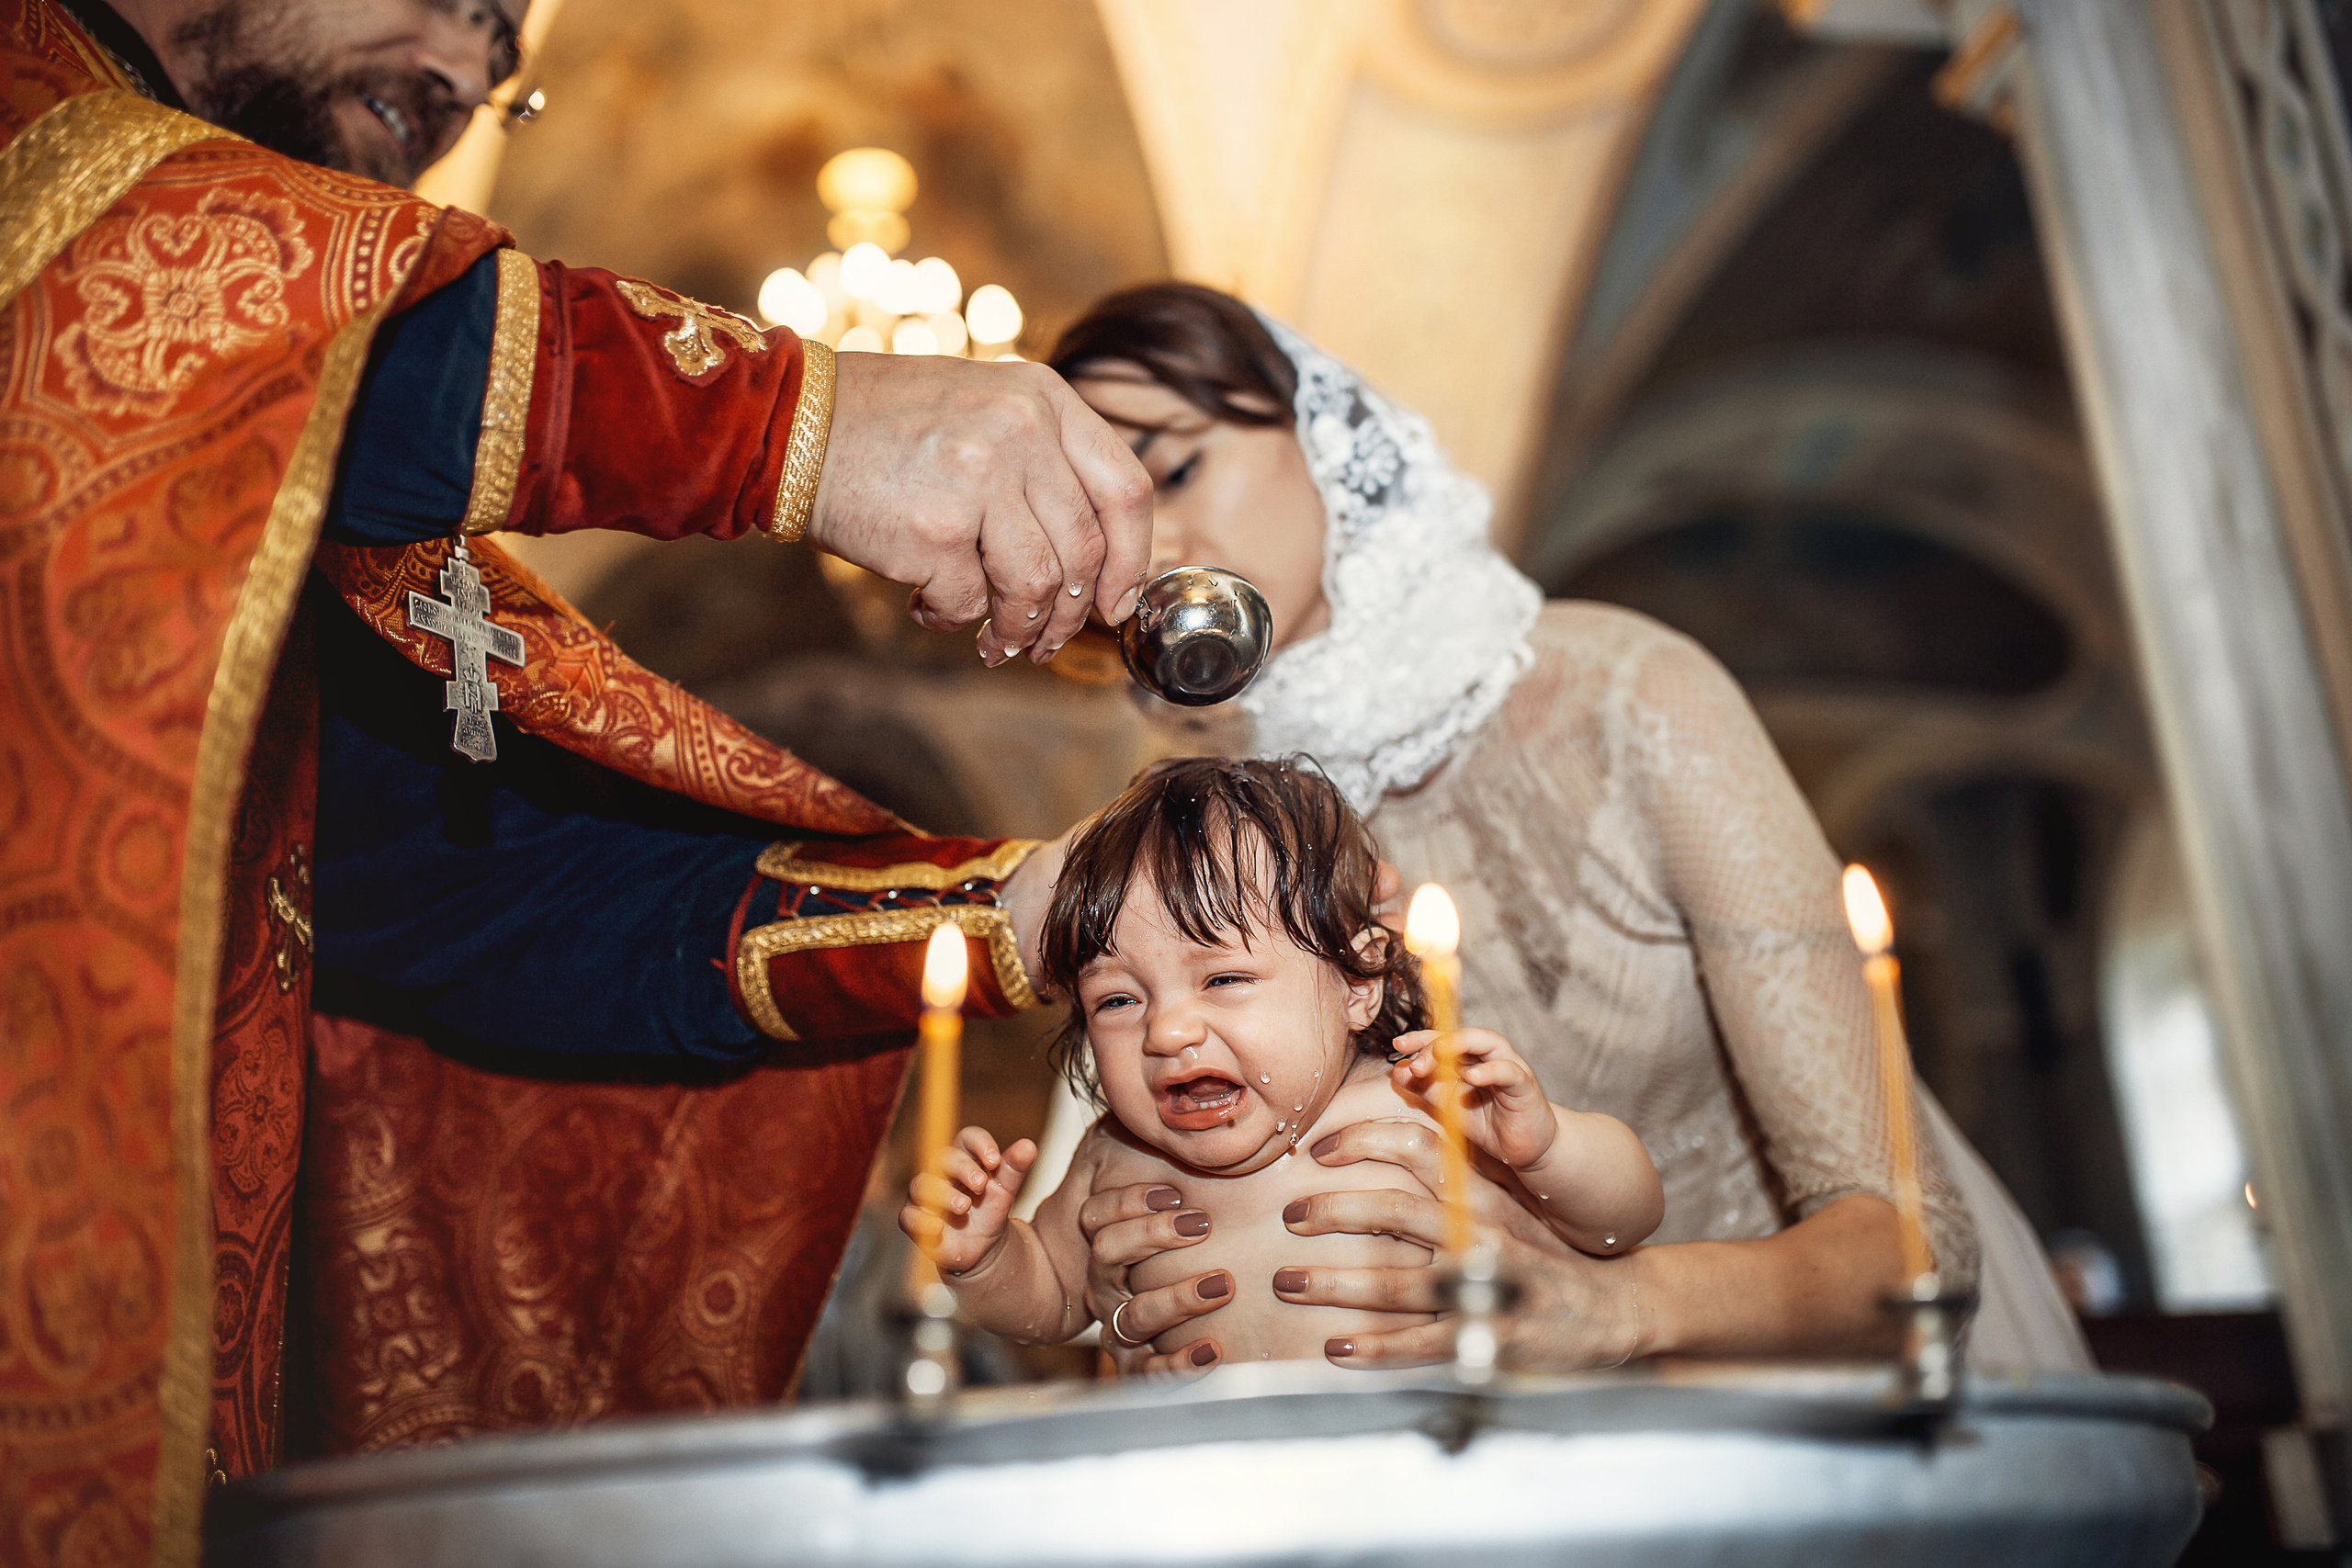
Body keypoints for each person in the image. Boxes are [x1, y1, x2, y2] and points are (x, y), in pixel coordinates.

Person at [1, 1, 1149, 1560]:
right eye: (473, 1)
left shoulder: (241, 480)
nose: (483, 74)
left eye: (512, 54)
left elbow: (470, 897)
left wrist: (1010, 903)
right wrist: (823, 427)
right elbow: (204, 269)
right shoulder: (44, 123)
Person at [1045, 283, 2092, 1379]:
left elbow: (1915, 1249)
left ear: (1319, 434)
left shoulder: (1628, 695)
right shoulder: (1194, 823)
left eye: (1170, 468)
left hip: (1820, 1409)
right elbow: (1106, 1230)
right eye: (1105, 520)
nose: (1157, 543)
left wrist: (1611, 1303)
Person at [905, 758, 1659, 1372]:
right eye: (1117, 1000)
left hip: (1423, 1474)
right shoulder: (1115, 1157)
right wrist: (988, 1257)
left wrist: (1550, 1147)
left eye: (1224, 978)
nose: (1168, 1030)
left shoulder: (1420, 1104)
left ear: (1359, 984)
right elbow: (1055, 1301)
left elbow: (1621, 1222)